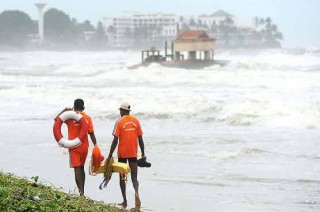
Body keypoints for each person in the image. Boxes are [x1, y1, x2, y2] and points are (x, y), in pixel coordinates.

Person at [106, 102, 146, 210]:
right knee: (134, 177)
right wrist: (143, 154)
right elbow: (140, 139)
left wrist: (109, 155)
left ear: (123, 111)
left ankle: (124, 201)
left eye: (120, 111)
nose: (119, 112)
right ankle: (136, 193)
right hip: (133, 153)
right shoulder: (136, 121)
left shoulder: (119, 122)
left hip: (123, 154)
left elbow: (115, 140)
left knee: (122, 178)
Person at [54, 99, 97, 196]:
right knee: (81, 168)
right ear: (83, 107)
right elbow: (91, 133)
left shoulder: (69, 117)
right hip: (84, 147)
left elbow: (56, 120)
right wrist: (96, 145)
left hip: (74, 148)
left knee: (77, 169)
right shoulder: (87, 118)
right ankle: (83, 192)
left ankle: (81, 194)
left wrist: (64, 110)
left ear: (74, 106)